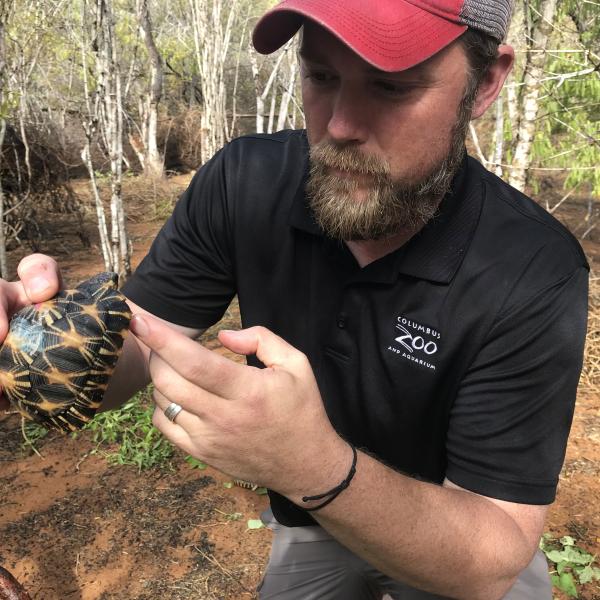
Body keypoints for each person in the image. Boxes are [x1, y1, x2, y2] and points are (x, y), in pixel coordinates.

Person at [0, 0, 589, 598]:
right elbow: (132, 344)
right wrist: (36, 346)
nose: (339, 125)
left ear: (485, 83)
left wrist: (309, 466)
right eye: (322, 77)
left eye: (391, 86)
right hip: (313, 526)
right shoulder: (244, 183)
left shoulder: (530, 268)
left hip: (451, 532)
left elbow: (492, 558)